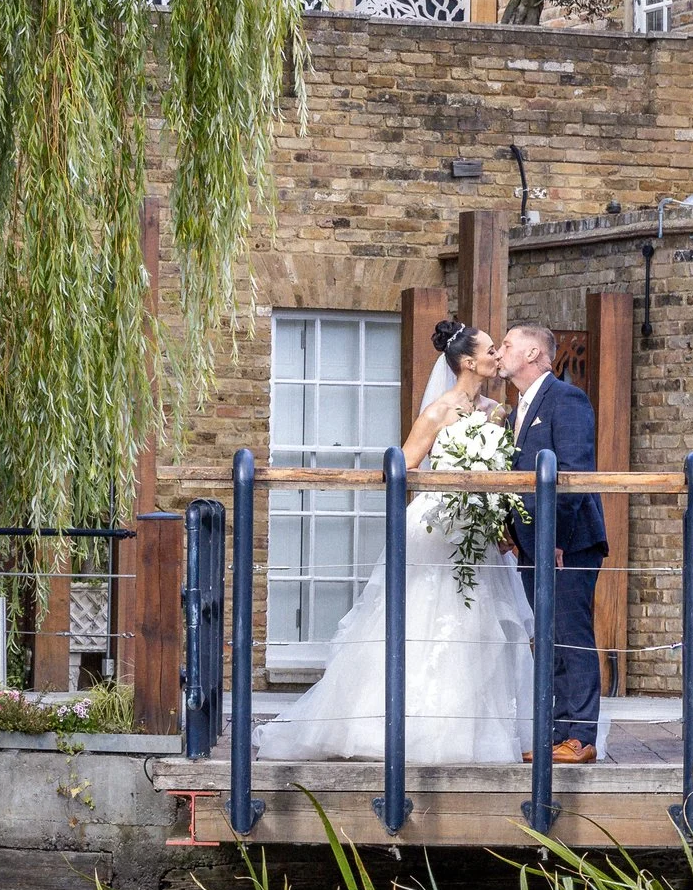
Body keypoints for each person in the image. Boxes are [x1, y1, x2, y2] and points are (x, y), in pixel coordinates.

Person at [255, 322, 532, 763]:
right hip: (438, 523)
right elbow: (403, 468)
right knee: (422, 617)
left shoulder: (498, 411)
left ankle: (472, 734)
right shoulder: (438, 412)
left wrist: (491, 516)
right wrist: (445, 495)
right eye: (490, 349)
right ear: (467, 361)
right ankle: (391, 728)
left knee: (479, 625)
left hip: (475, 530)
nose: (497, 355)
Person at [498, 322, 609, 763]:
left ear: (532, 354)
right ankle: (558, 734)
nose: (500, 351)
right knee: (549, 638)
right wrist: (510, 528)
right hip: (533, 545)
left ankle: (580, 738)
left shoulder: (567, 399)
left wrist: (555, 538)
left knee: (571, 636)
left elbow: (574, 473)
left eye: (507, 344)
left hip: (568, 543)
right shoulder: (516, 410)